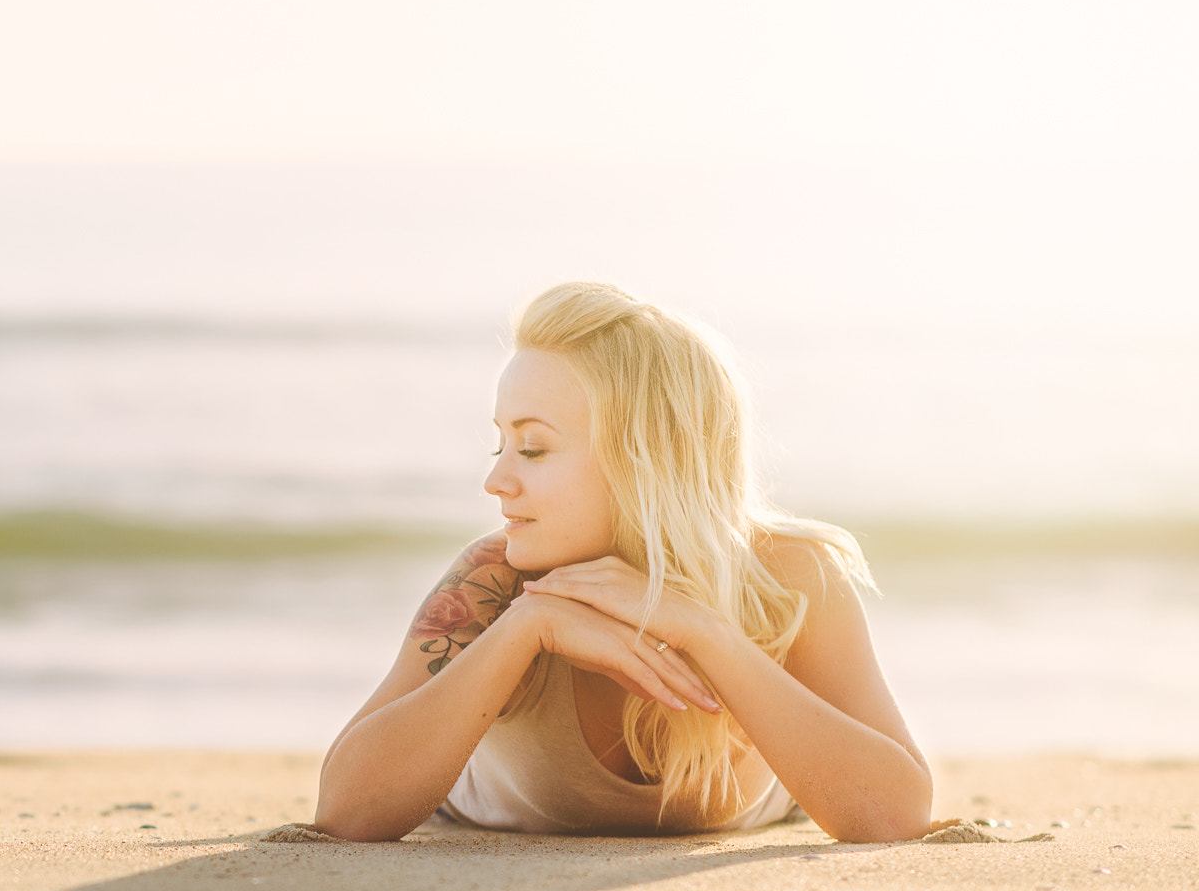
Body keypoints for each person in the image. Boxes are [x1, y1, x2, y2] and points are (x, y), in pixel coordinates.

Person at [316, 281, 931, 844]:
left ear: (645, 463)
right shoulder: (494, 582)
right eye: (501, 443)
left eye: (532, 448)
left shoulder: (789, 579)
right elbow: (346, 811)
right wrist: (527, 628)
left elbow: (896, 816)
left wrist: (702, 629)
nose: (495, 479)